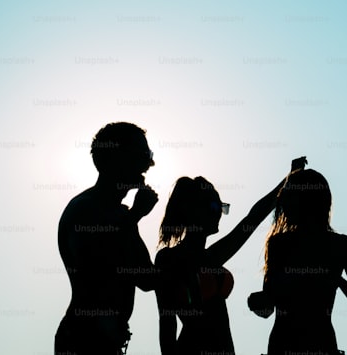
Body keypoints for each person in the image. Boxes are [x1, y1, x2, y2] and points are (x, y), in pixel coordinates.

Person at [154, 166, 287, 355]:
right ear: (193, 210)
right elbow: (166, 323)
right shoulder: (170, 258)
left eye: (221, 207)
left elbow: (253, 218)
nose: (218, 213)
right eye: (214, 207)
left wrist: (287, 181)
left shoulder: (210, 256)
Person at [55, 121, 159, 355]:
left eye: (148, 154)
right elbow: (103, 263)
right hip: (83, 340)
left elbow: (147, 278)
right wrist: (134, 217)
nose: (148, 164)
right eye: (141, 155)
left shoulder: (120, 214)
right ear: (115, 159)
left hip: (107, 342)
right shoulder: (86, 209)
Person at [248, 167, 347, 355]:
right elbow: (267, 307)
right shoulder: (280, 244)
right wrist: (255, 301)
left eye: (290, 197)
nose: (284, 204)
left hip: (299, 345)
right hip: (308, 344)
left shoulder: (282, 243)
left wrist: (336, 280)